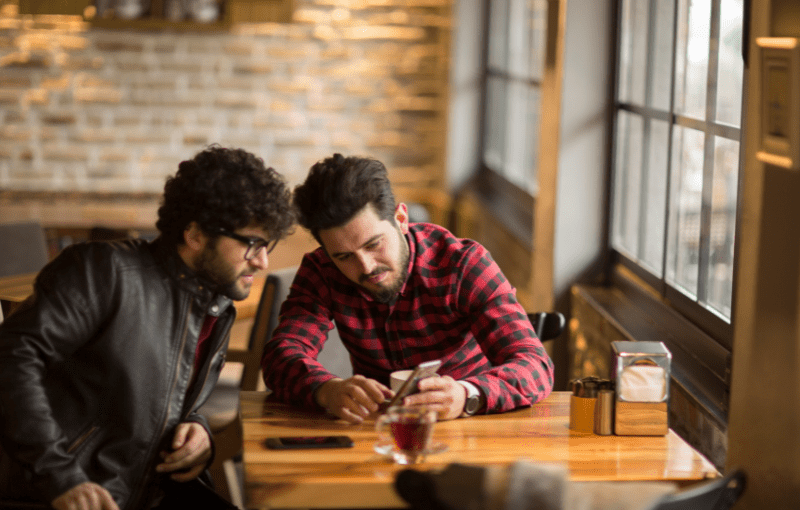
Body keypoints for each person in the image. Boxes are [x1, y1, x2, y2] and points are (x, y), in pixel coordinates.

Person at [0, 146, 295, 510]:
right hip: (67, 496)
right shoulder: (105, 272)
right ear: (196, 235)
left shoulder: (216, 305)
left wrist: (199, 430)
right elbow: (11, 360)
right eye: (252, 243)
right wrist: (60, 476)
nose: (263, 261)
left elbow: (170, 398)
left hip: (152, 491)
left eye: (268, 244)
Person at [261, 153, 554, 424]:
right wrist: (326, 390)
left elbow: (535, 366)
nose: (365, 267)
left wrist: (467, 395)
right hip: (379, 431)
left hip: (470, 425)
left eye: (374, 244)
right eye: (344, 256)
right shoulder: (321, 270)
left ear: (401, 219)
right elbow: (281, 356)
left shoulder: (463, 265)